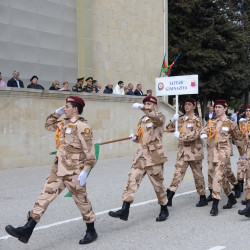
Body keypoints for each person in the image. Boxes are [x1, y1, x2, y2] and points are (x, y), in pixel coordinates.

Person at [5, 96, 98, 245]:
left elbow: (90, 154)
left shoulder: (82, 127)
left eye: (66, 106)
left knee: (82, 202)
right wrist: (57, 113)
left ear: (75, 109)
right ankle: (27, 229)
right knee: (44, 197)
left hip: (74, 172)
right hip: (58, 170)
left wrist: (85, 171)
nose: (64, 108)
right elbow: (48, 125)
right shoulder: (63, 123)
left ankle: (91, 231)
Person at [109, 96, 170, 222]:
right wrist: (135, 138)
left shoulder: (159, 117)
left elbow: (156, 119)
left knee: (158, 185)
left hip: (154, 157)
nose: (147, 105)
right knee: (132, 180)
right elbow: (143, 138)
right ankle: (125, 209)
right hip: (141, 156)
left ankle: (164, 208)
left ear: (155, 106)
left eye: (149, 104)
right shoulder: (142, 120)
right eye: (145, 103)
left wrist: (143, 108)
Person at [200, 100, 242, 216]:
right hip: (212, 153)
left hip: (224, 153)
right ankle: (231, 197)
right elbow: (204, 129)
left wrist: (242, 153)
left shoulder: (230, 122)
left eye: (219, 107)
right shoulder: (211, 122)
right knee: (220, 177)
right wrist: (203, 133)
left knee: (218, 176)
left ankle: (215, 204)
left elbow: (238, 137)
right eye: (215, 107)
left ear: (225, 108)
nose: (216, 109)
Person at [165, 98, 207, 207]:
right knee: (177, 175)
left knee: (198, 176)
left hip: (194, 153)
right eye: (185, 104)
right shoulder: (181, 119)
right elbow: (168, 128)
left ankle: (202, 197)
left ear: (194, 106)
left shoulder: (197, 120)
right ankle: (169, 197)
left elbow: (196, 134)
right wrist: (173, 120)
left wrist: (181, 136)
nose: (186, 106)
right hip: (183, 153)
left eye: (189, 104)